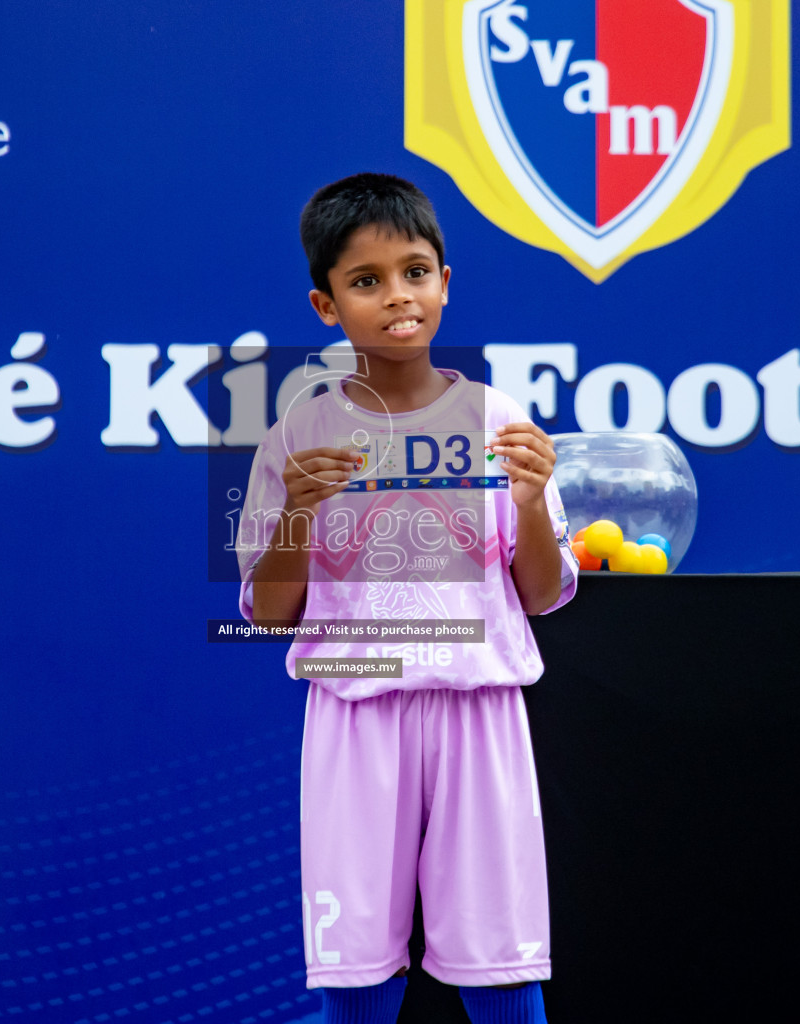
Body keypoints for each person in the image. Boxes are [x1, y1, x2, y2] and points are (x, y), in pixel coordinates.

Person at [236, 173, 577, 1024]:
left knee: (501, 966)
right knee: (355, 974)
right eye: (366, 280)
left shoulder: (499, 419)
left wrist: (532, 504)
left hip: (481, 717)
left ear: (446, 282)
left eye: (416, 271)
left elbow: (539, 593)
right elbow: (270, 610)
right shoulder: (297, 435)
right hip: (357, 719)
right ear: (326, 306)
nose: (398, 297)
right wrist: (300, 519)